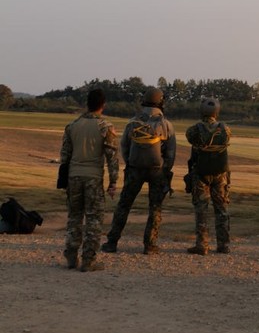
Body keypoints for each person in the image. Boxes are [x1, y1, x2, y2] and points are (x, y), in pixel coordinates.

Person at [101, 87, 176, 255]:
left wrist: (131, 164)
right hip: (157, 170)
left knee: (124, 205)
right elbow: (171, 154)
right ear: (161, 102)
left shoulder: (132, 122)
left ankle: (112, 242)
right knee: (155, 208)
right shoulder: (167, 125)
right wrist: (164, 169)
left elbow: (124, 147)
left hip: (135, 169)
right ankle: (150, 245)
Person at [59, 88, 118, 272]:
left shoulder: (72, 125)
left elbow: (64, 156)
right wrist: (113, 181)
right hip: (93, 178)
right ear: (103, 105)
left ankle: (70, 256)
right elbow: (112, 158)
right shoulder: (105, 127)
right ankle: (88, 260)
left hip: (73, 177)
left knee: (74, 217)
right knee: (94, 219)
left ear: (87, 103)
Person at [185, 96, 231, 255]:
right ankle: (224, 245)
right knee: (222, 209)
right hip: (220, 173)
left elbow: (190, 138)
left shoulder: (194, 130)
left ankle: (202, 245)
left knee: (201, 209)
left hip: (201, 173)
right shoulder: (225, 129)